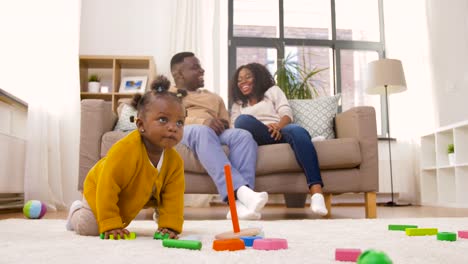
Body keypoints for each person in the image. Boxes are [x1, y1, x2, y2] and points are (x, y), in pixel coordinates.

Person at [66, 75, 187, 238]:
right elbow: (107, 186)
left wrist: (170, 226)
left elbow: (174, 196)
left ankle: (162, 220)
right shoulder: (124, 150)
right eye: (163, 119)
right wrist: (110, 223)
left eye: (179, 122)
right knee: (90, 227)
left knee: (164, 199)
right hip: (99, 189)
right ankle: (75, 212)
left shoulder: (175, 162)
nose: (173, 127)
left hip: (138, 194)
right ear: (141, 125)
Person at [170, 52, 268, 220]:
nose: (202, 70)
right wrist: (203, 121)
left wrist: (221, 124)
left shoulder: (214, 98)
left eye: (201, 66)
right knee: (202, 131)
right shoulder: (167, 95)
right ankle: (241, 191)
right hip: (184, 130)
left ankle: (240, 206)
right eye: (195, 67)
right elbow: (169, 121)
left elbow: (227, 123)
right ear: (179, 74)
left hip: (212, 132)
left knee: (242, 135)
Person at [229, 62, 328, 216]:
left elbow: (286, 113)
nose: (243, 82)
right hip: (256, 135)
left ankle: (317, 194)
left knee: (297, 130)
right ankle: (303, 143)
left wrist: (278, 126)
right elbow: (236, 128)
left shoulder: (272, 91)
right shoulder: (238, 104)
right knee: (242, 121)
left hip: (280, 130)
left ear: (258, 77)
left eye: (248, 77)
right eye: (240, 79)